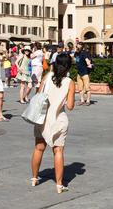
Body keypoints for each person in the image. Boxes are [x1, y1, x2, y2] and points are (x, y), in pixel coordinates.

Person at [30, 54, 76, 194]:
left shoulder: (47, 77)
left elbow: (38, 95)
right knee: (58, 150)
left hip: (42, 118)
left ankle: (34, 178)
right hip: (58, 119)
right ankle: (59, 184)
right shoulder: (70, 82)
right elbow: (70, 106)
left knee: (39, 148)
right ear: (68, 66)